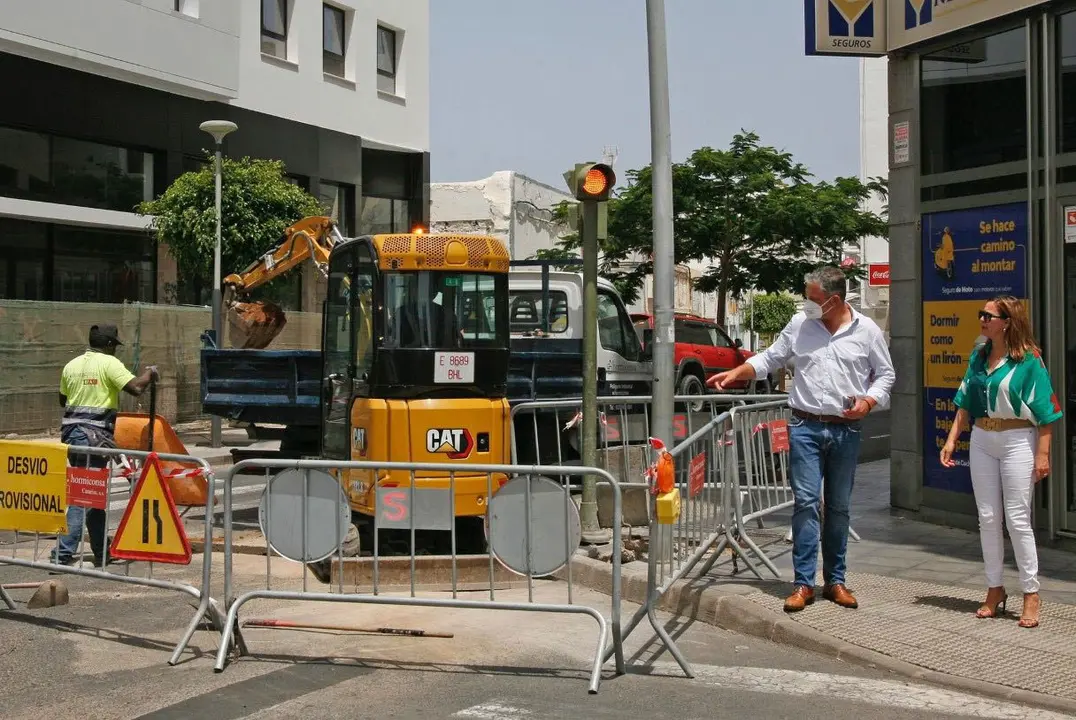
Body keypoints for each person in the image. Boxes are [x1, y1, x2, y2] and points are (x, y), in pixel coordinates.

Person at [708, 266, 895, 612]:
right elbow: (769, 358)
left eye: (813, 299)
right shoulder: (799, 325)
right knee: (807, 503)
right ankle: (803, 583)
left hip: (846, 429)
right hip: (805, 427)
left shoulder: (865, 330)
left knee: (838, 507)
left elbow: (885, 375)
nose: (806, 304)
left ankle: (835, 581)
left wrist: (868, 401)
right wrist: (738, 371)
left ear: (834, 299)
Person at [939, 296, 1060, 629]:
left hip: (1018, 439)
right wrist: (952, 439)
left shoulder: (1029, 360)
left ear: (1006, 321)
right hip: (981, 438)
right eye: (981, 315)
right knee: (988, 517)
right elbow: (965, 402)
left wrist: (1043, 454)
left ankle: (1031, 593)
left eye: (988, 316)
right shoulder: (978, 356)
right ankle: (994, 589)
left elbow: (1047, 413)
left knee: (1017, 519)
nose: (981, 320)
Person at [51, 324, 157, 567]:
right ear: (109, 345)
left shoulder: (72, 365)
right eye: (115, 346)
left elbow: (62, 399)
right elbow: (136, 388)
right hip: (93, 437)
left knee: (93, 496)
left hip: (73, 436)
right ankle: (62, 554)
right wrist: (150, 374)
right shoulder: (109, 364)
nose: (116, 351)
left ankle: (102, 552)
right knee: (83, 496)